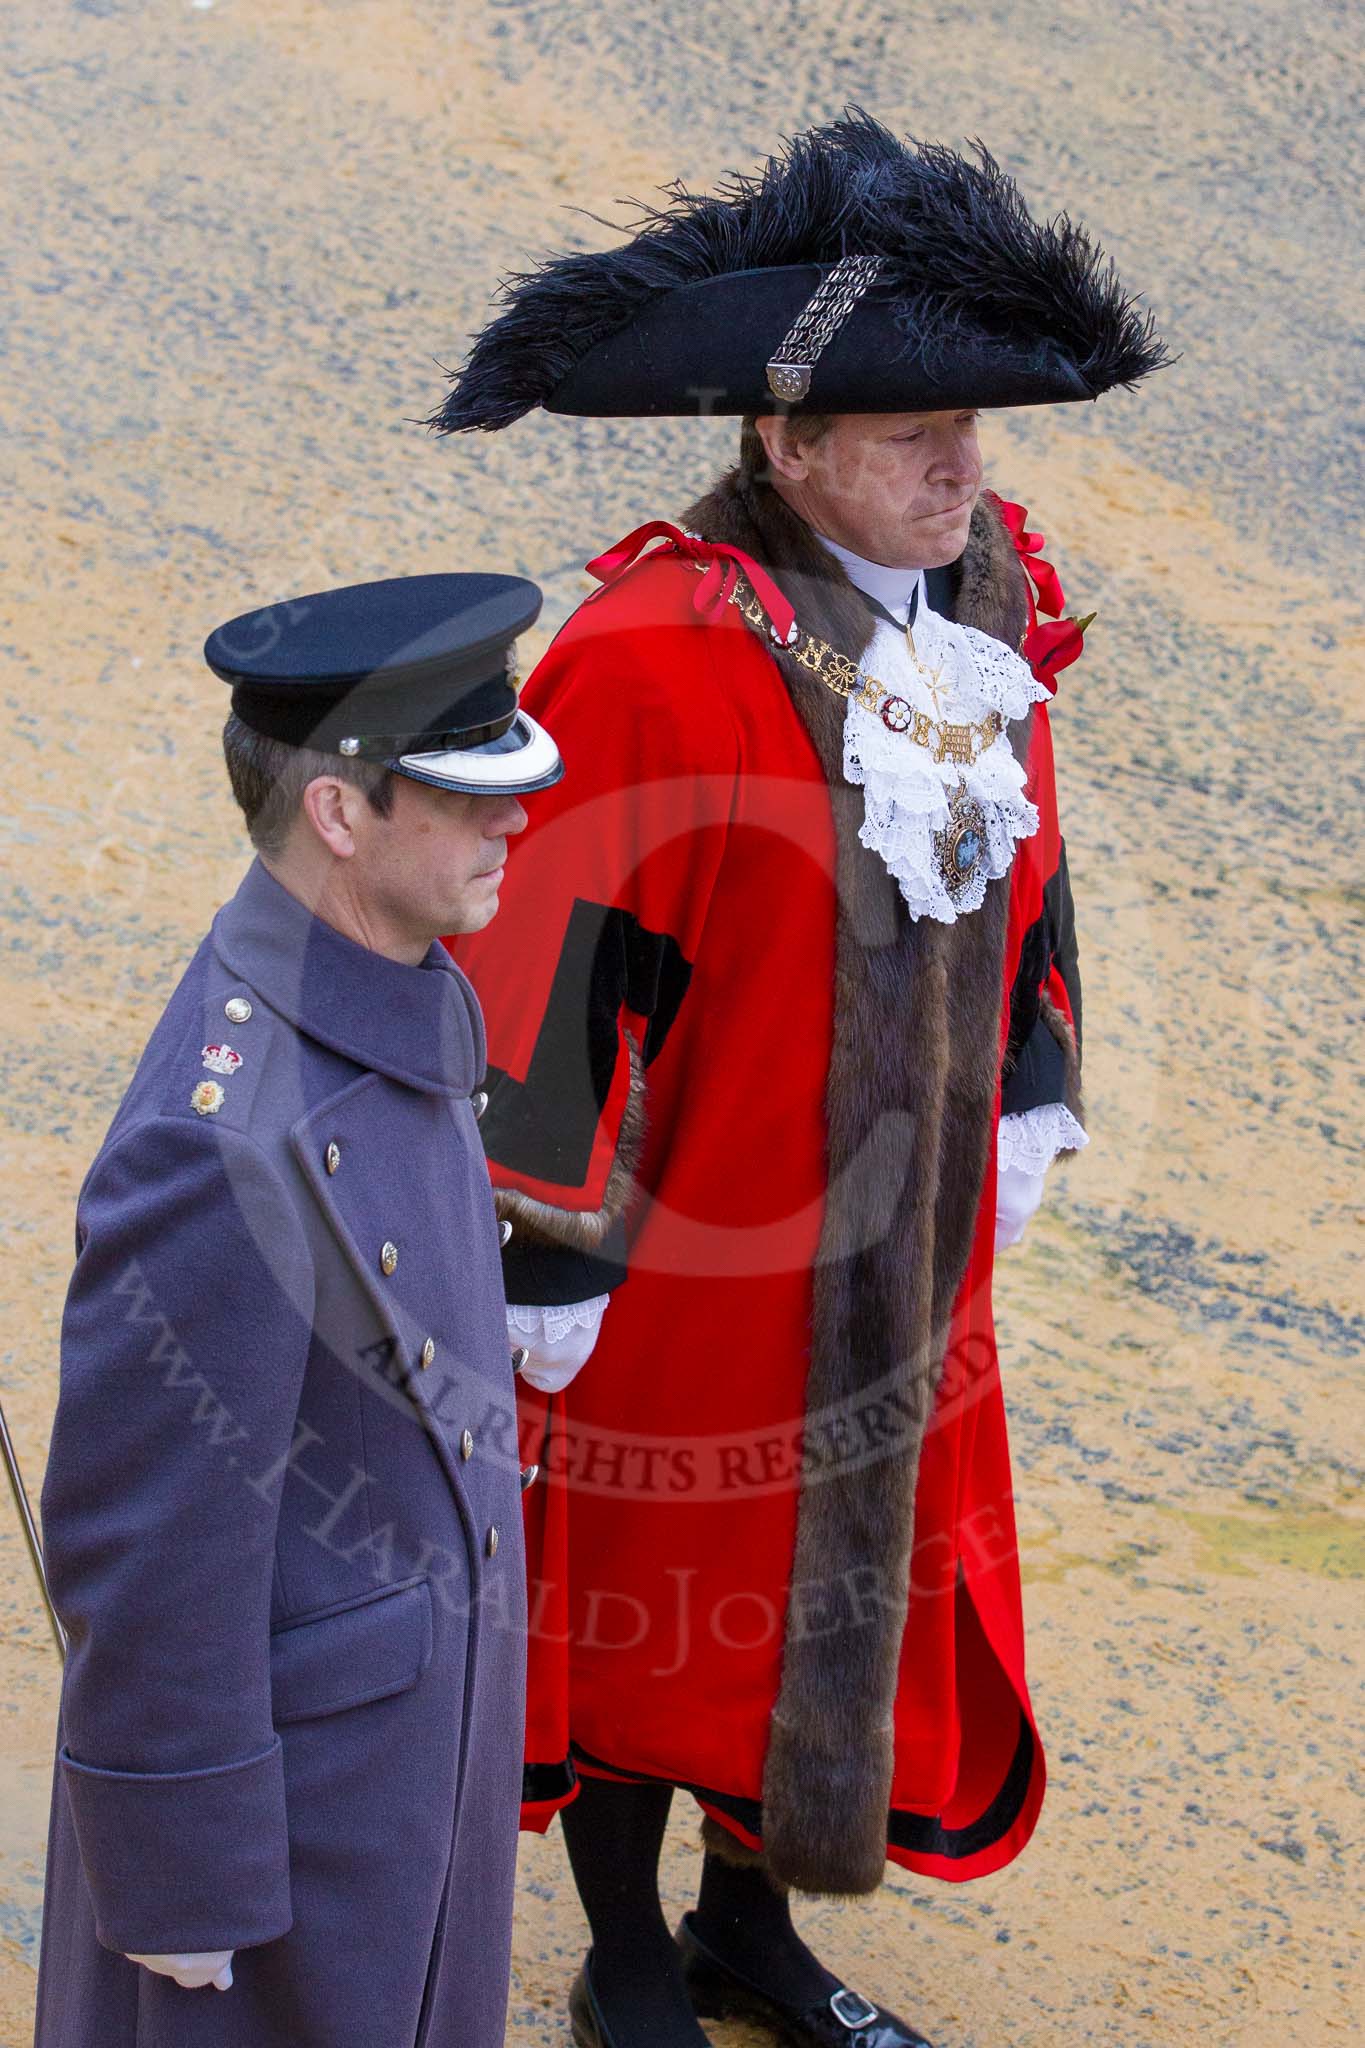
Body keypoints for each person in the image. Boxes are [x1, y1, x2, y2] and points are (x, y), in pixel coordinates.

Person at [431, 115, 1168, 2048]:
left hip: (911, 1229)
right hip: (687, 1249)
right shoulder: (646, 645)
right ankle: (617, 1960)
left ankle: (749, 1932)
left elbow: (1031, 850)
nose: (963, 468)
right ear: (782, 443)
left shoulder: (989, 604)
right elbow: (545, 956)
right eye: (915, 429)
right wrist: (544, 1252)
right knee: (658, 1598)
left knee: (846, 1591)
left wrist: (1030, 1076)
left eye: (977, 428)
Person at [33, 572, 562, 2048]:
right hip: (293, 1826)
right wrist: (178, 1875)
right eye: (463, 798)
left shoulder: (401, 987)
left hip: (407, 1756)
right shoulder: (219, 1139)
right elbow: (146, 1545)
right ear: (340, 813)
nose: (510, 819)